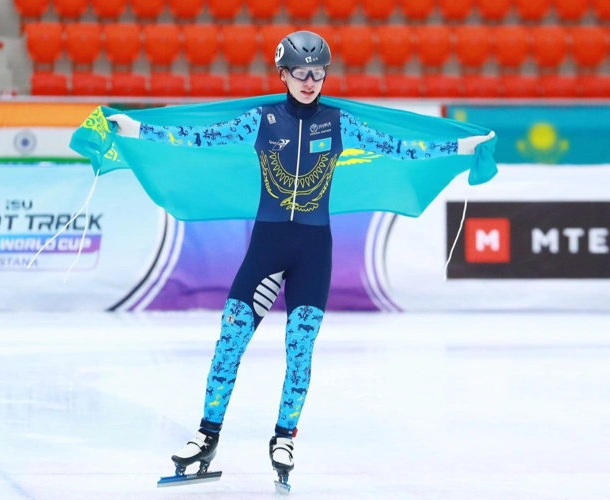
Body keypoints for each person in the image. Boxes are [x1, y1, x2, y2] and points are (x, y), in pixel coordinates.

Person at [108, 30, 485, 486]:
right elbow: (198, 138)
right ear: (283, 75)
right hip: (267, 248)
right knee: (231, 338)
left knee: (300, 349)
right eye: (301, 73)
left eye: (318, 72)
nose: (310, 81)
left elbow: (402, 149)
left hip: (313, 251)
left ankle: (284, 436)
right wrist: (139, 130)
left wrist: (463, 148)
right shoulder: (261, 119)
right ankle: (207, 436)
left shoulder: (340, 122)